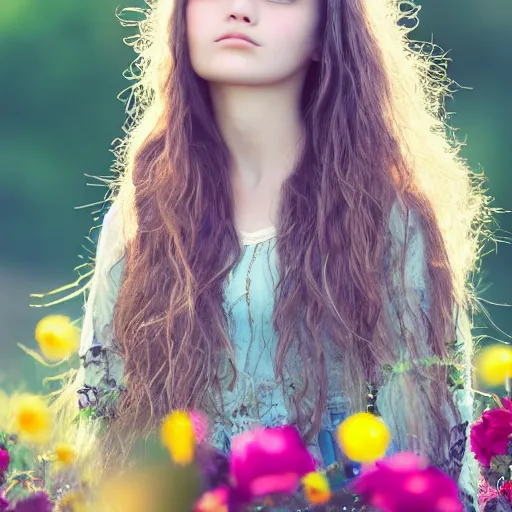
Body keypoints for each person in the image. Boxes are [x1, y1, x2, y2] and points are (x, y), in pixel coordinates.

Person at [52, 0, 495, 509]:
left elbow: (425, 453)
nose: (240, 9)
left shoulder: (385, 217)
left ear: (327, 28)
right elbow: (106, 431)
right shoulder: (143, 216)